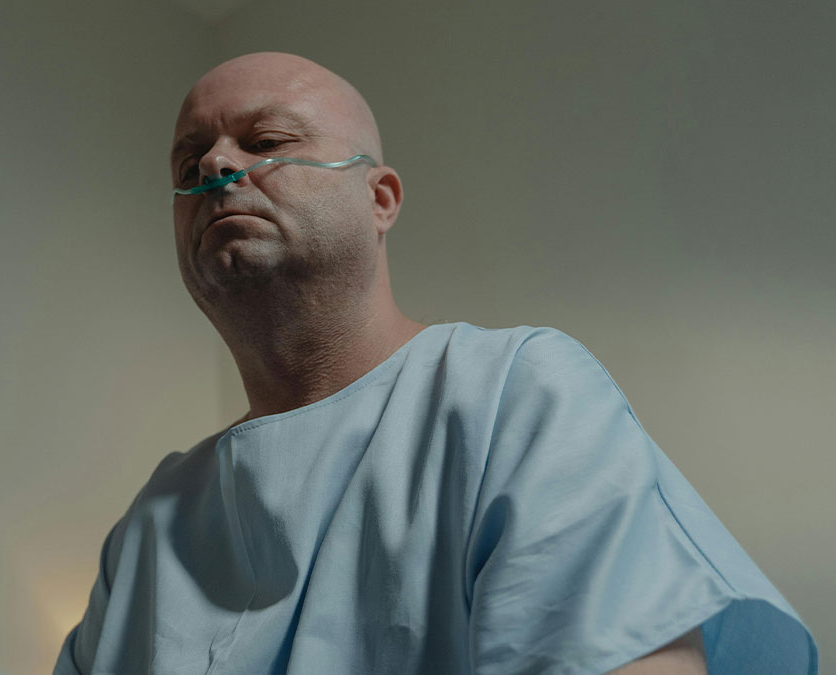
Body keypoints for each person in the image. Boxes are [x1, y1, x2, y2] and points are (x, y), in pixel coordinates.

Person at [54, 52, 817, 674]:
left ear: (380, 198)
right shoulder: (153, 524)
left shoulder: (517, 393)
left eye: (267, 141)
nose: (217, 163)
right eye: (189, 160)